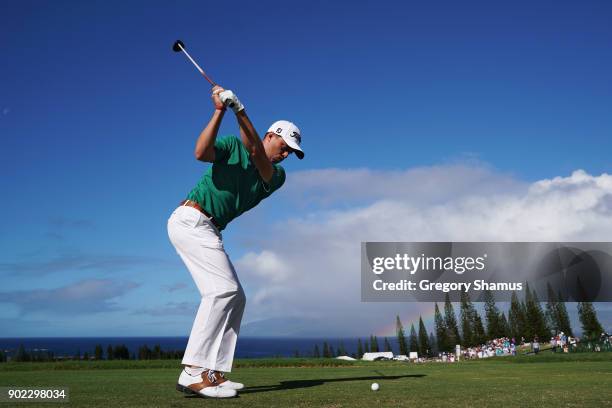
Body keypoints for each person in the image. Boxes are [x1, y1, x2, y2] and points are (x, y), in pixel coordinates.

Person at [168, 85, 304, 398]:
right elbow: (200, 153)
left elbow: (257, 153)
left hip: (209, 229)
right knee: (222, 290)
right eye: (284, 146)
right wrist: (219, 111)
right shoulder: (231, 146)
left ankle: (213, 372)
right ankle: (193, 372)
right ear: (271, 135)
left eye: (290, 153)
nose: (285, 155)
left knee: (237, 297)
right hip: (191, 219)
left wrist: (238, 109)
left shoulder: (276, 176)